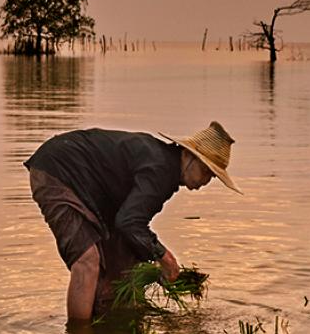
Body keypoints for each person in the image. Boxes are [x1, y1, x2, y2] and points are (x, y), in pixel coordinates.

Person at [25, 121, 240, 321]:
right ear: (188, 155)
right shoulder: (161, 169)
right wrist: (164, 257)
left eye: (212, 176)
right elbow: (129, 223)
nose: (206, 181)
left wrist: (154, 268)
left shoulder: (165, 169)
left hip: (93, 192)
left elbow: (128, 226)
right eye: (205, 171)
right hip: (59, 170)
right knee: (88, 261)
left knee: (123, 265)